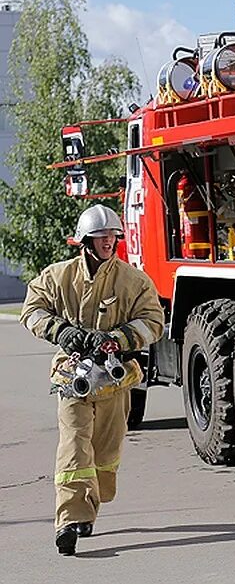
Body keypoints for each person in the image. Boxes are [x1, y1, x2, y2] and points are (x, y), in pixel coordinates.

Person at [20, 204, 164, 555]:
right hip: (72, 377)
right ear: (84, 241)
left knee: (105, 453)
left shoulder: (132, 281)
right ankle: (69, 520)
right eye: (101, 237)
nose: (108, 243)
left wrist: (119, 339)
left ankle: (91, 504)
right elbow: (32, 310)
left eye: (112, 236)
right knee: (73, 445)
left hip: (114, 380)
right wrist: (63, 331)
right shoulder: (59, 276)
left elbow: (154, 321)